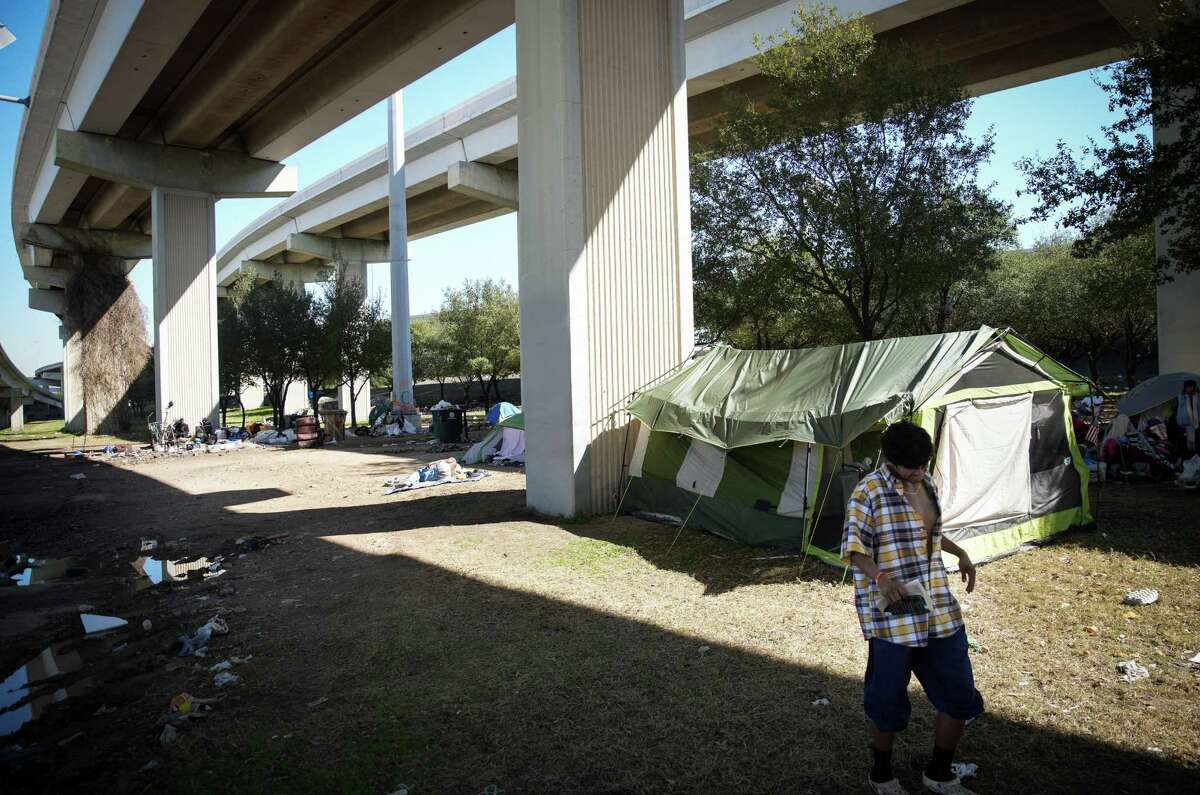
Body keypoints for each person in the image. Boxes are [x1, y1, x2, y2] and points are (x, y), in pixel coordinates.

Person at [841, 421, 982, 795]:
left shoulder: (928, 483)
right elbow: (854, 547)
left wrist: (960, 552)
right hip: (894, 617)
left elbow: (929, 532)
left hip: (937, 606)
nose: (918, 472)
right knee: (887, 698)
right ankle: (882, 774)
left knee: (959, 693)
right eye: (909, 466)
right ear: (890, 460)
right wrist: (880, 578)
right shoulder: (868, 491)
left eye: (923, 464)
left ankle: (939, 772)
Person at [1177, 380, 1200, 455]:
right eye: (1187, 387)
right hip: (1187, 422)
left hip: (1197, 422)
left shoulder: (1198, 396)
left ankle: (1196, 453)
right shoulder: (1182, 397)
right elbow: (1180, 408)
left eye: (1190, 387)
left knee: (1196, 439)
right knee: (1188, 439)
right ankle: (1190, 453)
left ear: (1194, 387)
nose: (1189, 389)